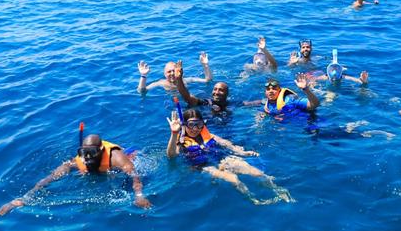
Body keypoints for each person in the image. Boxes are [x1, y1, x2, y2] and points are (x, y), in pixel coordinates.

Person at [0, 135, 152, 216]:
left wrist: (139, 196)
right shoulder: (79, 160)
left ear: (101, 151)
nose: (88, 158)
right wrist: (23, 199)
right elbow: (50, 178)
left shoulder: (116, 157)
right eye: (85, 153)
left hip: (126, 160)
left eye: (92, 153)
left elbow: (135, 176)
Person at [166, 108, 294, 205]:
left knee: (257, 173)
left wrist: (242, 152)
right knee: (234, 179)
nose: (195, 129)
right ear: (184, 125)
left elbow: (226, 143)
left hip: (220, 159)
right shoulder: (181, 140)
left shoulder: (206, 134)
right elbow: (171, 155)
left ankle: (279, 190)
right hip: (202, 166)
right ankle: (255, 200)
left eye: (199, 124)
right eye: (191, 125)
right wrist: (174, 133)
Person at [245, 74, 320, 116]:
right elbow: (248, 104)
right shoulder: (265, 103)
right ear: (265, 92)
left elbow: (315, 104)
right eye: (268, 89)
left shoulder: (290, 99)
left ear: (279, 90)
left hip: (307, 124)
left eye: (274, 88)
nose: (271, 91)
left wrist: (305, 89)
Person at [137, 52, 212, 93]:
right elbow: (142, 90)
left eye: (174, 70)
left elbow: (207, 80)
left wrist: (205, 65)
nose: (172, 73)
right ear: (165, 74)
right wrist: (143, 76)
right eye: (169, 72)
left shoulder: (186, 80)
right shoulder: (161, 83)